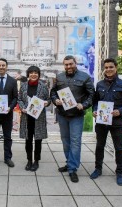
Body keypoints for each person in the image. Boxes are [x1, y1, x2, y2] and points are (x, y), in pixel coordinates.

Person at [90, 58, 122, 186]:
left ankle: (119, 172)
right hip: (101, 121)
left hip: (117, 121)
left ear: (116, 68)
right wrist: (94, 110)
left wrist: (120, 111)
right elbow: (95, 102)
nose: (108, 70)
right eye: (106, 67)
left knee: (119, 147)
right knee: (99, 146)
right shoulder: (99, 84)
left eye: (111, 67)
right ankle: (98, 169)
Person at [50, 55, 94, 183]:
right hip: (62, 114)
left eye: (71, 64)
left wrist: (84, 105)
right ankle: (69, 163)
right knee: (65, 141)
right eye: (66, 65)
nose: (69, 66)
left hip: (76, 115)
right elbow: (53, 92)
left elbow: (92, 95)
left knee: (75, 142)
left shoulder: (84, 77)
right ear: (64, 66)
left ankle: (72, 169)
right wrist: (55, 100)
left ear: (75, 63)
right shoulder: (59, 77)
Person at [18, 66, 50, 171]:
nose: (33, 74)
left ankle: (36, 161)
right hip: (27, 117)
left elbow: (48, 99)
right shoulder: (23, 86)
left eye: (35, 72)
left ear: (38, 74)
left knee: (38, 140)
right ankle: (29, 160)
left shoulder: (43, 86)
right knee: (28, 140)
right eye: (31, 72)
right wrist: (22, 108)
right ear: (28, 74)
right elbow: (19, 99)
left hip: (38, 117)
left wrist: (47, 103)